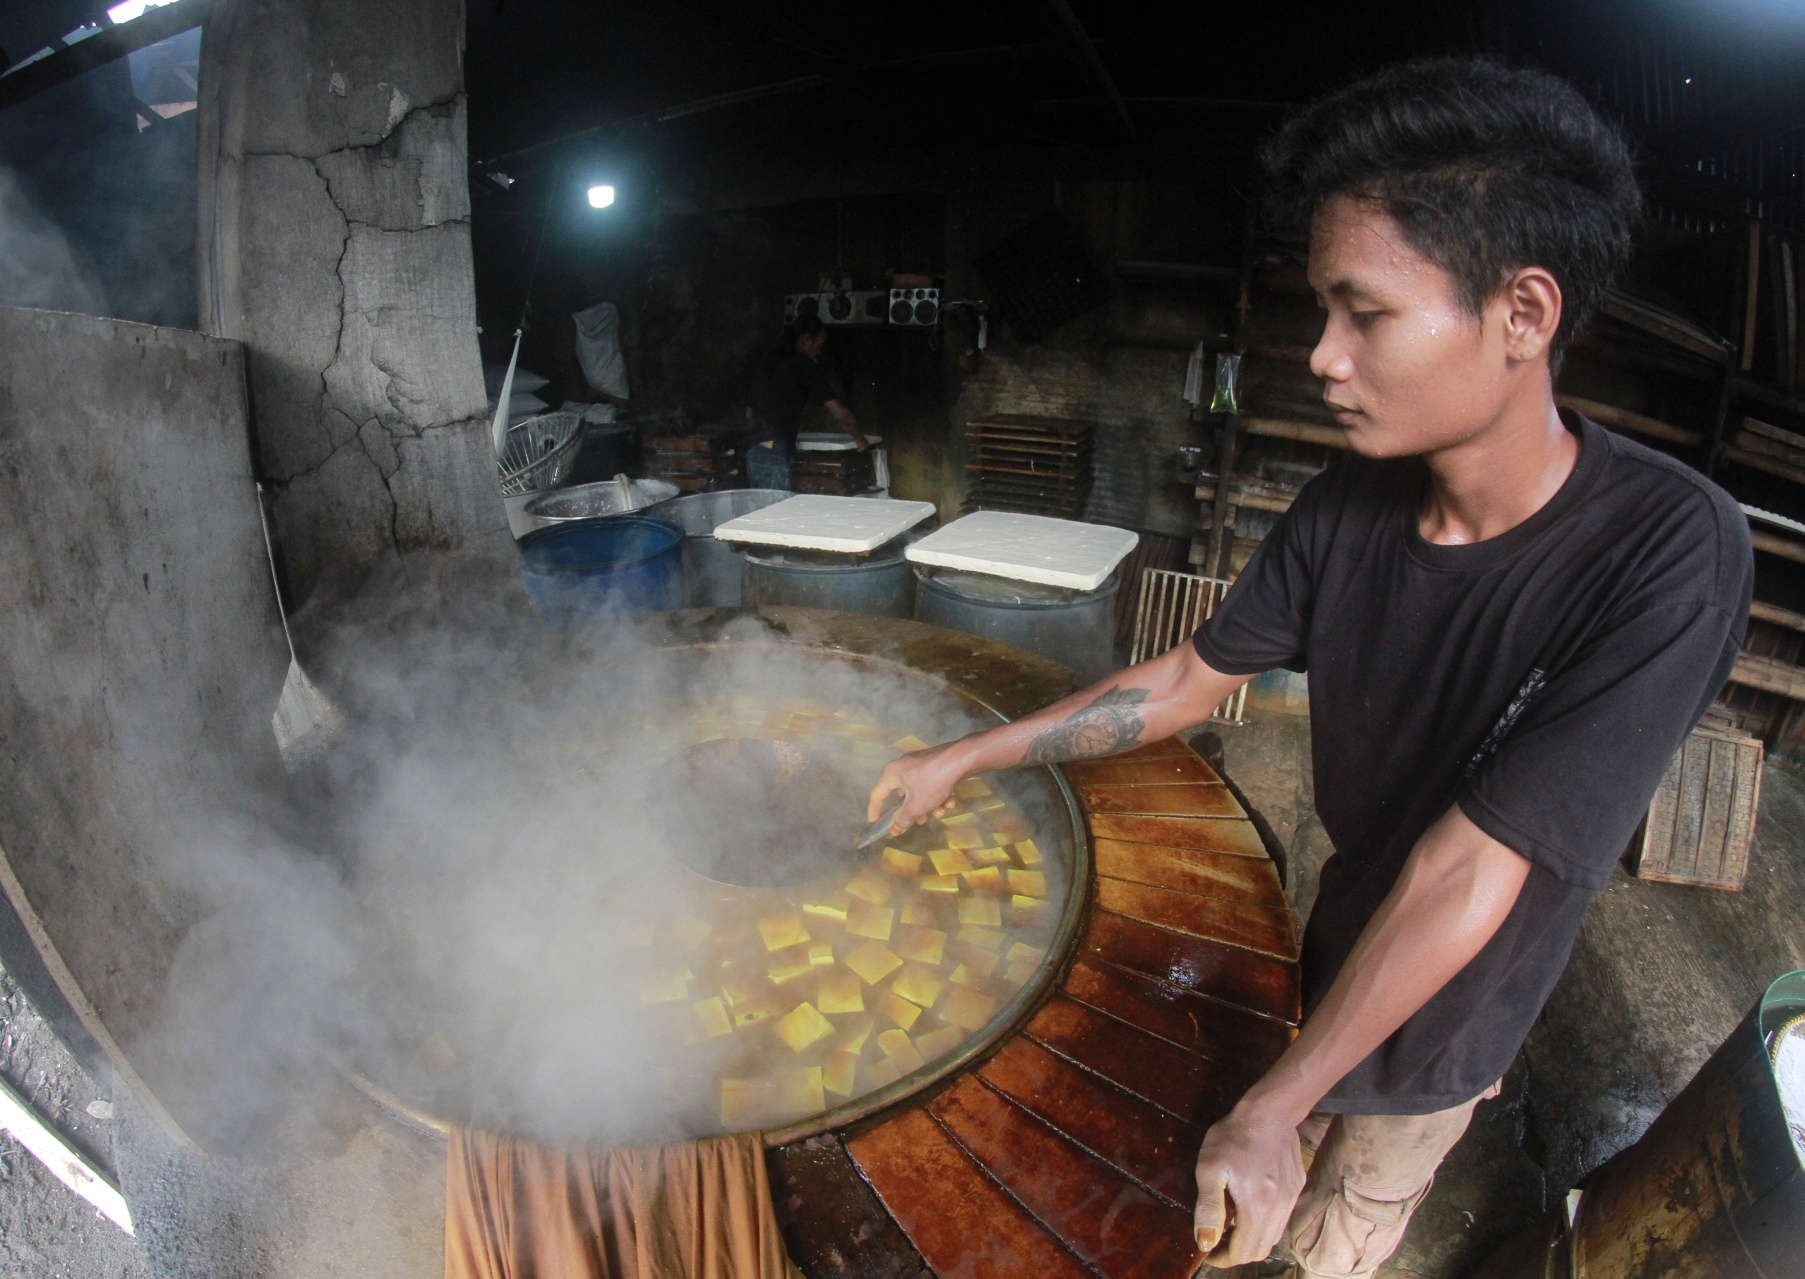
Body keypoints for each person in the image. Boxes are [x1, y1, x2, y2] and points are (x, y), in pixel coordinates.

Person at [866, 56, 1752, 1279]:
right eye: (1319, 312)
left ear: (1524, 313)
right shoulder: (1348, 507)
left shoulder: (1673, 551)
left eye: (1365, 313)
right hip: (1339, 931)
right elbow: (1185, 682)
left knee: (1340, 1221)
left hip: (1455, 1010)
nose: (1321, 355)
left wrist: (1278, 1109)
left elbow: (1467, 872)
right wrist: (963, 754)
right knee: (1247, 1167)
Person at [747, 312, 869, 490]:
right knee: (777, 511)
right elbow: (840, 413)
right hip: (774, 450)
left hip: (754, 448)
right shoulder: (804, 365)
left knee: (762, 511)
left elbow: (749, 412)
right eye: (819, 346)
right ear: (806, 339)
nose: (819, 353)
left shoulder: (768, 363)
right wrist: (860, 439)